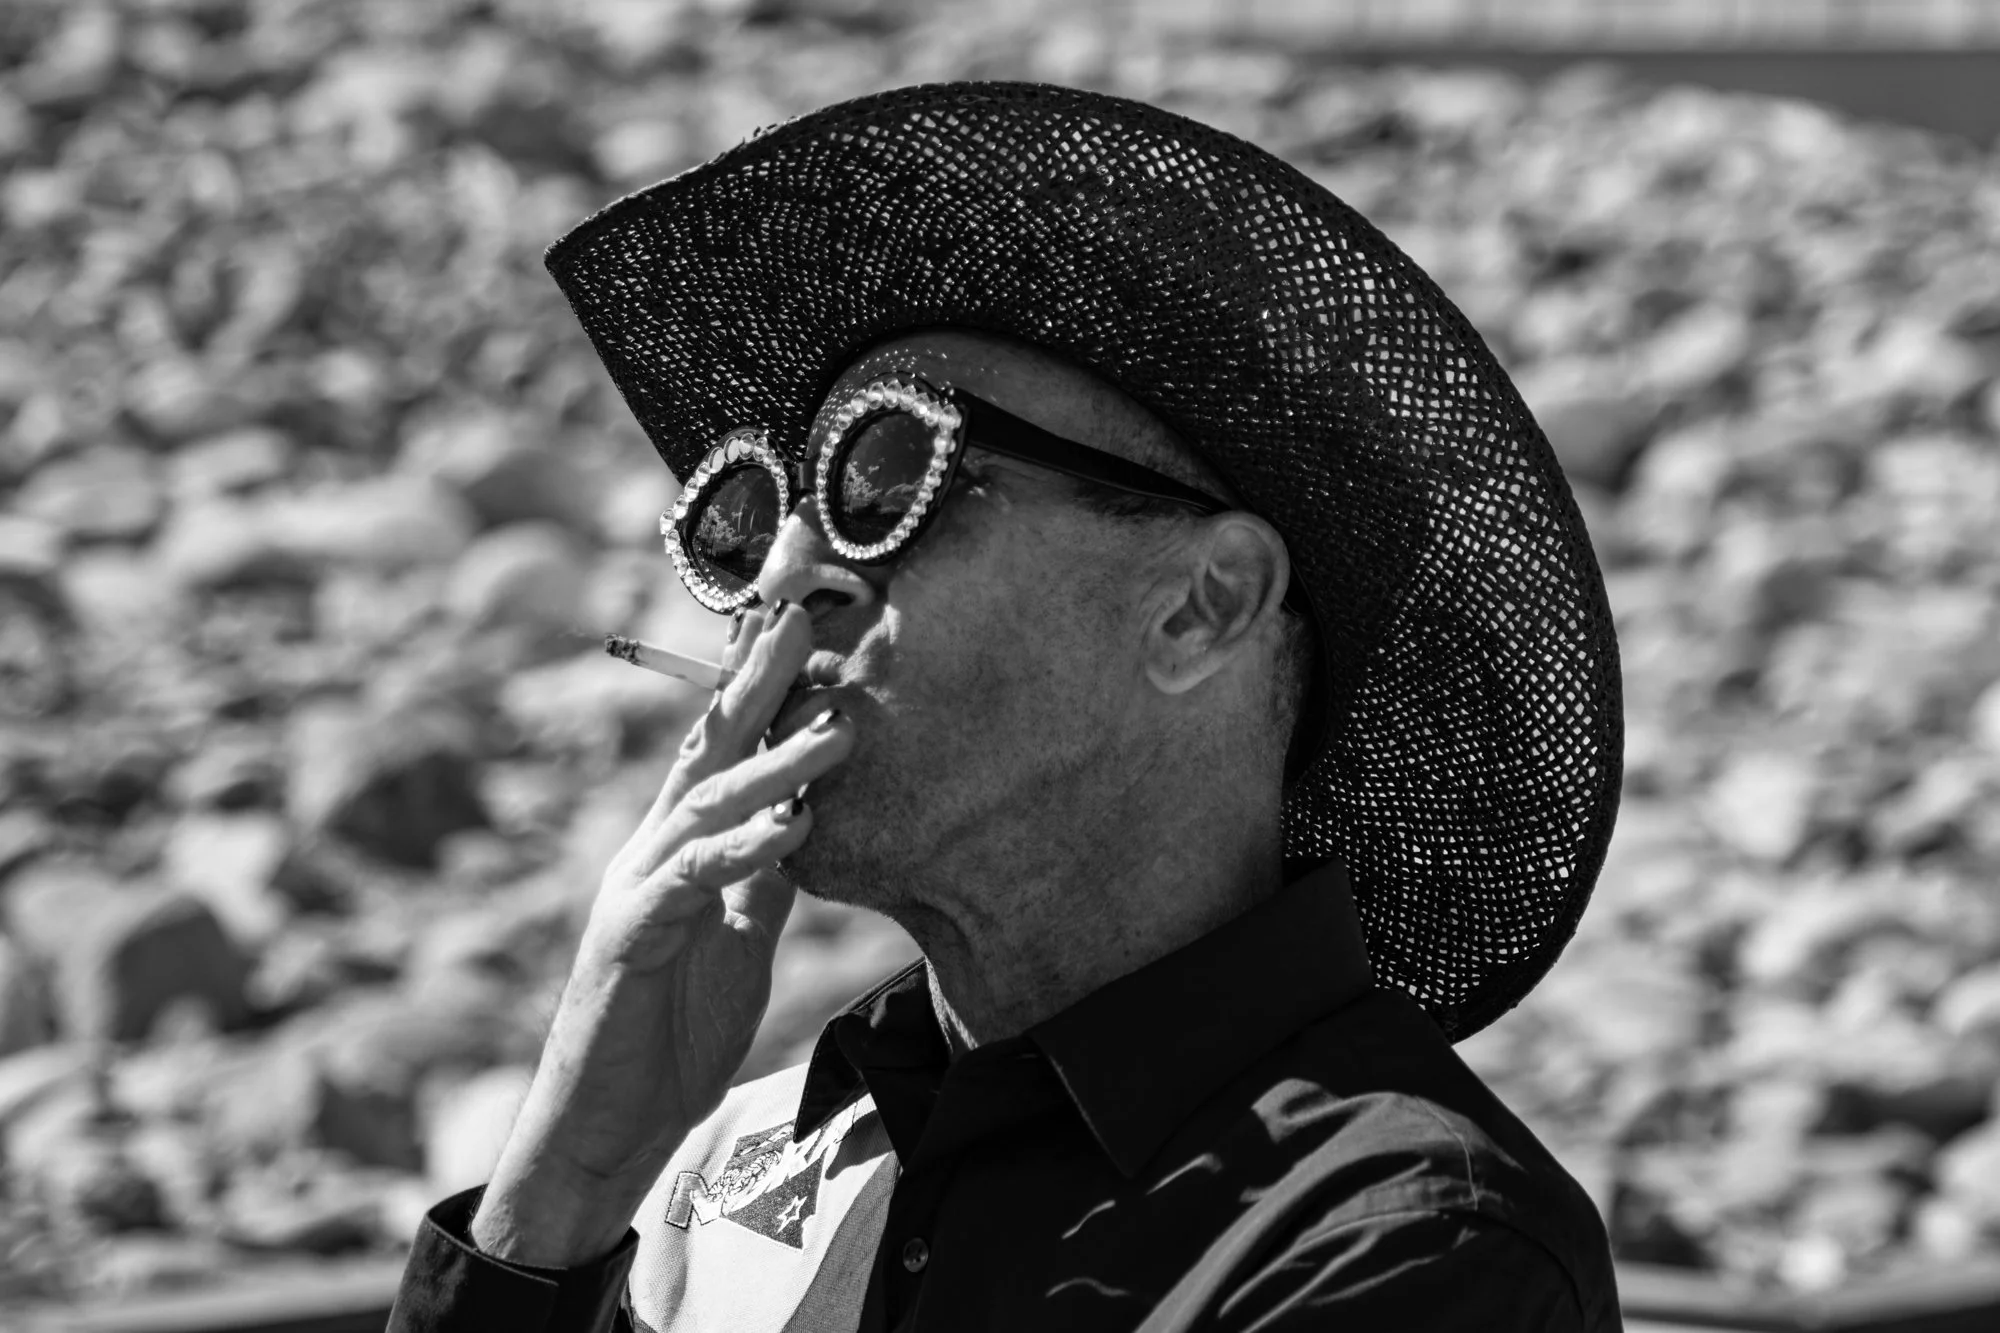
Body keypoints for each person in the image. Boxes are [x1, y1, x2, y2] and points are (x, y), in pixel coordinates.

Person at [388, 81, 1627, 1332]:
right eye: (757, 518)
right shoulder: (712, 1175)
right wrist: (564, 1189)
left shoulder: (1394, 1237)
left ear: (1199, 607)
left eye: (887, 475)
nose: (779, 579)